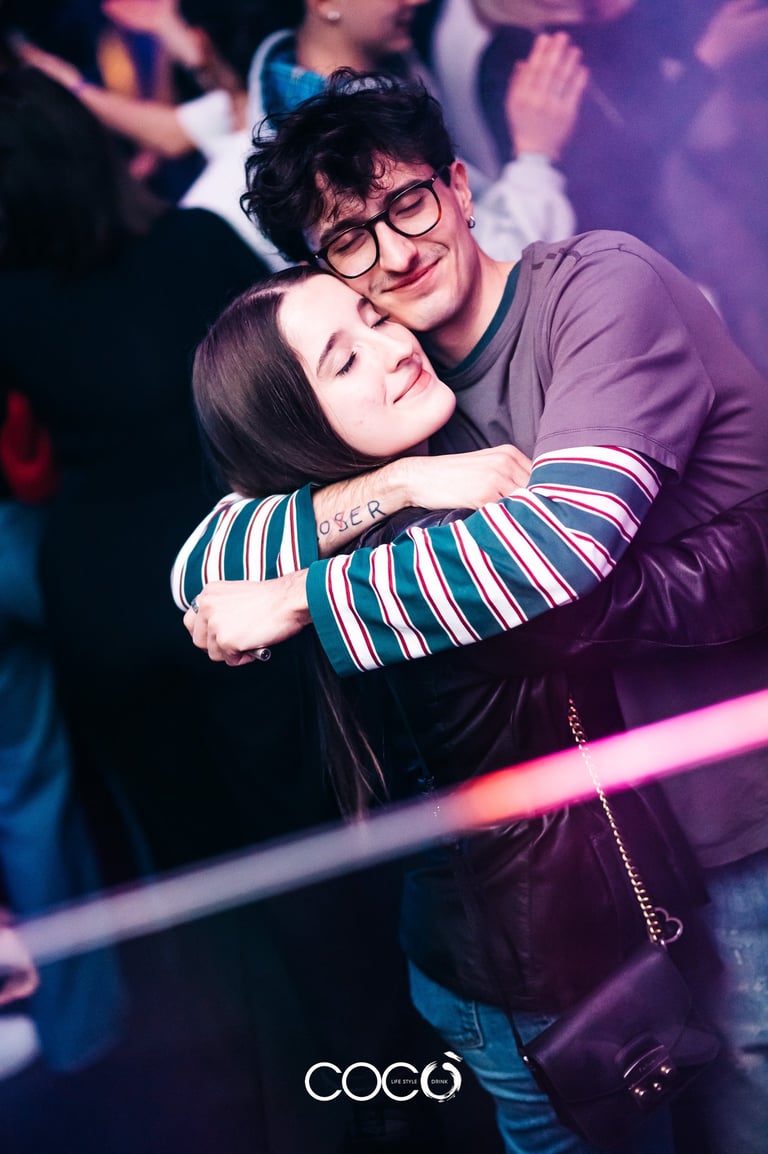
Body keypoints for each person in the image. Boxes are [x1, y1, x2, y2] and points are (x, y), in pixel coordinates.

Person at [174, 72, 768, 1154]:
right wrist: (403, 484)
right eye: (349, 240)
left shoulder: (596, 290)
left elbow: (559, 551)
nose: (395, 254)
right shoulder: (402, 421)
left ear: (456, 184)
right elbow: (200, 569)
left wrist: (304, 594)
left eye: (407, 203)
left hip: (734, 803)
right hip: (616, 872)